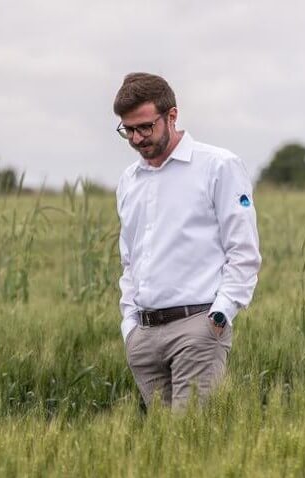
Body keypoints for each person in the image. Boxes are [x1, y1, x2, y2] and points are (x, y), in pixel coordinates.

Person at [113, 73, 261, 411]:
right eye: (128, 130)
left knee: (191, 443)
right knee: (163, 450)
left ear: (172, 116)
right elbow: (130, 261)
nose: (137, 138)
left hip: (198, 328)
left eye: (145, 127)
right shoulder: (128, 181)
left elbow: (244, 251)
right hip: (144, 337)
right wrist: (129, 326)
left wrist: (221, 315)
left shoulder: (218, 166)